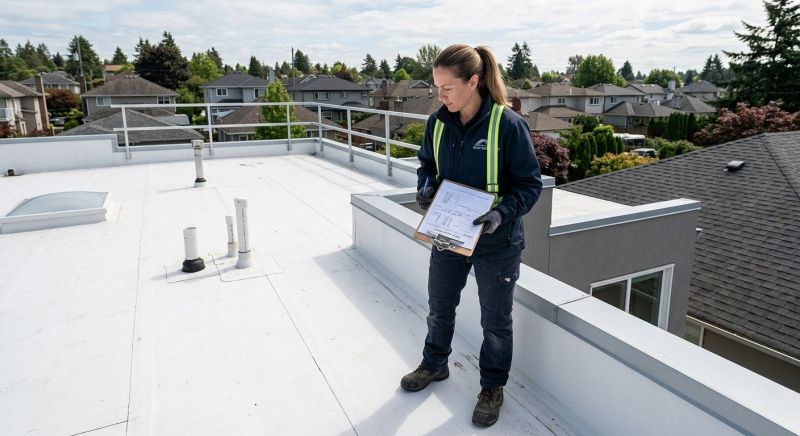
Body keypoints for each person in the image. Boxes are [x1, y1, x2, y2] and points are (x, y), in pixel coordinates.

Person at [400, 44, 543, 428]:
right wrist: (426, 188)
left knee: (495, 322)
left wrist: (501, 213)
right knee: (439, 306)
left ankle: (492, 388)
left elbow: (530, 186)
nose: (440, 96)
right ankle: (434, 364)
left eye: (447, 88)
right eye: (437, 88)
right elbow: (426, 166)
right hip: (450, 235)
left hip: (497, 242)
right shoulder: (437, 123)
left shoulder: (507, 125)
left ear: (473, 81)